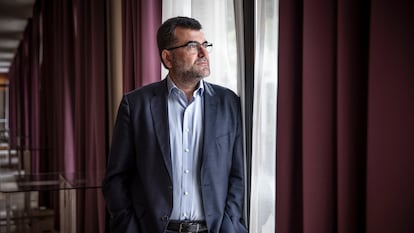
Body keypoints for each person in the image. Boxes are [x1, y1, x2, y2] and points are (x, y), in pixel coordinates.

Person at [102, 16, 248, 233]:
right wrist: (128, 226)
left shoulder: (229, 103)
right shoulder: (135, 105)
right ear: (167, 57)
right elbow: (117, 178)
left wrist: (230, 222)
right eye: (192, 46)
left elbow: (238, 174)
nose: (203, 53)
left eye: (205, 45)